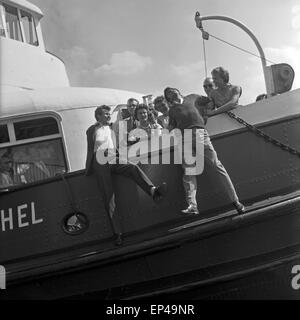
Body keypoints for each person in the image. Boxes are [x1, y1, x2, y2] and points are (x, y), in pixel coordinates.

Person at [85, 105, 167, 244]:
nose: (108, 116)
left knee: (132, 168)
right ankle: (118, 234)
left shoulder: (111, 128)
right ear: (98, 116)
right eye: (105, 114)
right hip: (99, 159)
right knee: (109, 196)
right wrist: (88, 167)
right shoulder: (92, 129)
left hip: (112, 156)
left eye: (108, 113)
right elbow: (90, 148)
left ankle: (153, 191)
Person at [164, 87, 245, 215]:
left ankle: (235, 201)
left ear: (178, 91)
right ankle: (192, 205)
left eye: (171, 91)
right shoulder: (172, 110)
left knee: (216, 165)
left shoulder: (192, 97)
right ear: (168, 99)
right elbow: (171, 126)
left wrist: (206, 113)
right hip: (184, 138)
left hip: (199, 133)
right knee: (189, 171)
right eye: (168, 94)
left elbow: (209, 101)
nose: (170, 94)